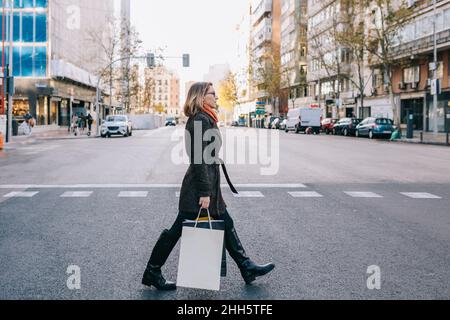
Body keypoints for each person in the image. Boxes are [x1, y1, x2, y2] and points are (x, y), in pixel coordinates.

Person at [142, 82, 275, 291]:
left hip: (209, 184)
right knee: (177, 230)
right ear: (202, 97)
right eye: (213, 94)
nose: (216, 97)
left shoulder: (207, 118)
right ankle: (152, 270)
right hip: (198, 187)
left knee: (226, 221)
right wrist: (205, 192)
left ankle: (246, 267)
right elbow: (198, 159)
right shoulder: (199, 121)